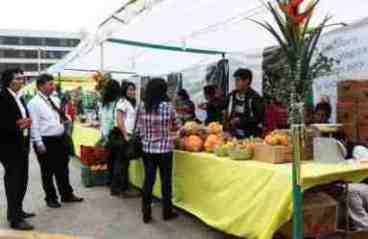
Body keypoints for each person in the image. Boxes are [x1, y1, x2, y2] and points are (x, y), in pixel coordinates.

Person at [28, 74, 83, 209]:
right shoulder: (34, 103)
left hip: (60, 138)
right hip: (46, 140)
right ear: (41, 86)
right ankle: (51, 198)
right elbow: (34, 125)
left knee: (63, 169)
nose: (53, 87)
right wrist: (38, 143)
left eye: (53, 84)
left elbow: (58, 116)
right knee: (47, 171)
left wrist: (67, 118)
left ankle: (67, 194)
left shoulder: (54, 99)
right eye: (50, 84)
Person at [137, 78, 180, 223]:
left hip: (147, 149)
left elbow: (138, 128)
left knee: (148, 180)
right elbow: (177, 125)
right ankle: (167, 212)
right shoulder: (168, 107)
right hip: (165, 149)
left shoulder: (142, 106)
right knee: (166, 181)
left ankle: (146, 213)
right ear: (163, 90)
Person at [0, 68, 35, 230]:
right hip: (9, 148)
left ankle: (17, 211)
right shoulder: (2, 97)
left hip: (21, 146)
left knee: (22, 181)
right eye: (19, 78)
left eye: (23, 78)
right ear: (9, 80)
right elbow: (3, 124)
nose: (22, 81)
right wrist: (21, 124)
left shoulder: (18, 97)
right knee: (14, 182)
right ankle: (15, 219)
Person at [111, 81, 140, 197]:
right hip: (123, 135)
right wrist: (125, 135)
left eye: (133, 89)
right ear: (124, 91)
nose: (132, 92)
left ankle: (117, 188)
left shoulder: (131, 102)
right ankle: (121, 189)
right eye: (129, 90)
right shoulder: (122, 102)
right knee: (122, 163)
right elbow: (119, 120)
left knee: (122, 162)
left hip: (128, 135)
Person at [225, 68, 265, 138]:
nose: (236, 83)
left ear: (246, 81)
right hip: (233, 134)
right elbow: (222, 105)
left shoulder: (255, 97)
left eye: (238, 80)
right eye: (235, 80)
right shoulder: (232, 95)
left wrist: (241, 121)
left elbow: (259, 118)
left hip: (250, 136)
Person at [99, 79, 121, 192]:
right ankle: (115, 186)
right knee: (117, 160)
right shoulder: (118, 102)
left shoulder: (104, 103)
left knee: (110, 159)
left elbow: (102, 119)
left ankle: (109, 181)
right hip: (115, 134)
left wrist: (103, 134)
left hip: (107, 134)